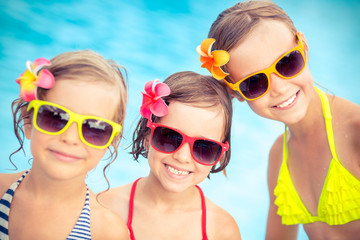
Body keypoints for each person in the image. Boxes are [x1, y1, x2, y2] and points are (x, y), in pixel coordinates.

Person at [196, 0, 360, 239]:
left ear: (303, 47)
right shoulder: (279, 157)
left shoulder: (355, 132)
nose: (280, 88)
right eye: (254, 83)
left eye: (287, 63)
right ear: (235, 92)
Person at [0, 50, 130, 239]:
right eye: (55, 116)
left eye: (94, 128)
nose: (70, 138)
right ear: (28, 121)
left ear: (110, 142)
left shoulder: (105, 231)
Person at [98, 71, 241, 240]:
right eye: (169, 137)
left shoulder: (221, 230)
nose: (182, 157)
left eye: (204, 147)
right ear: (146, 135)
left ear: (221, 155)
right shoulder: (105, 208)